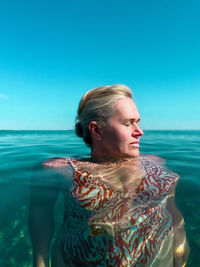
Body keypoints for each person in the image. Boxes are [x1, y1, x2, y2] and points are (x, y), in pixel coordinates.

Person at [29, 84, 190, 267]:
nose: (139, 131)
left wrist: (179, 235)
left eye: (137, 121)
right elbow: (40, 213)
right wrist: (40, 261)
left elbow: (169, 204)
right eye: (128, 123)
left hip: (156, 259)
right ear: (96, 130)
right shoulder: (58, 169)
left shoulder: (155, 162)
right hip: (78, 260)